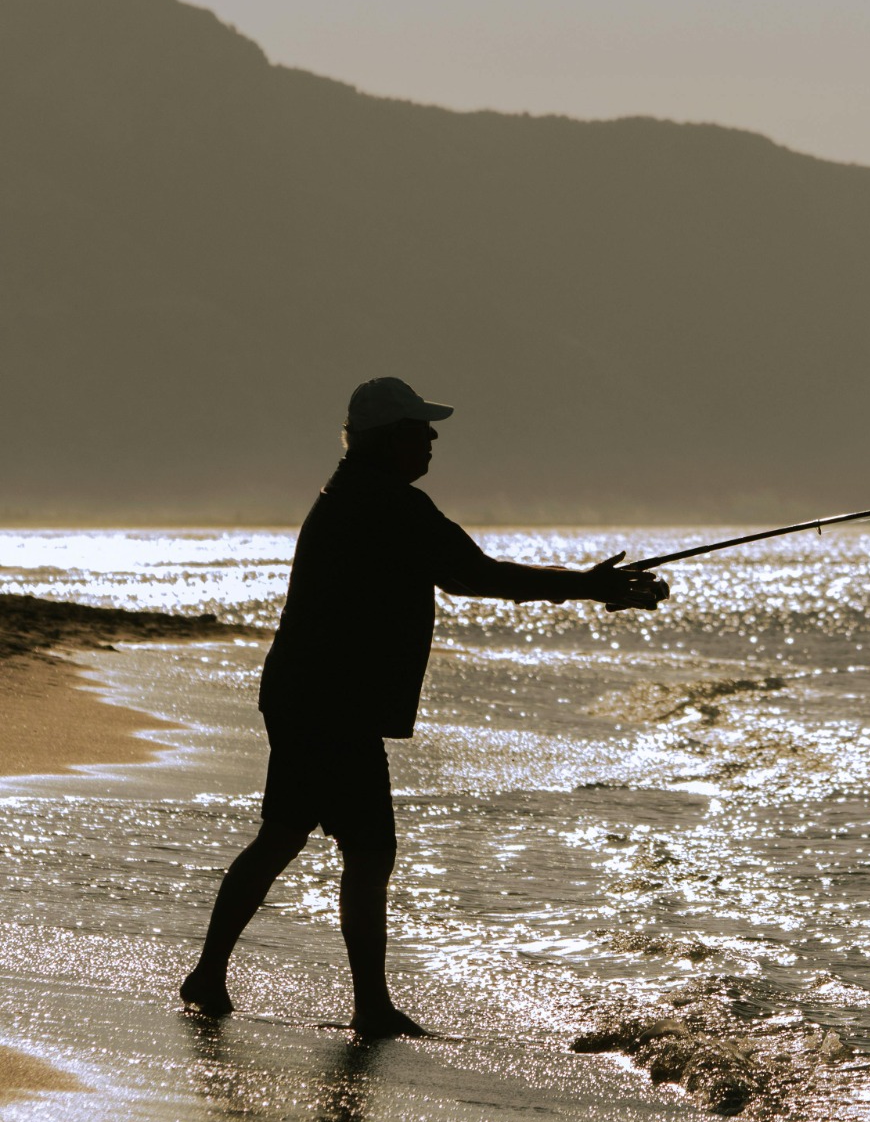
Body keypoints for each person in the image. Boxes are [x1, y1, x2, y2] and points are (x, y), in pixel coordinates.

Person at [180, 376, 668, 1036]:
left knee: (286, 837)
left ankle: (214, 976)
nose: (432, 438)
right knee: (366, 849)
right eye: (419, 429)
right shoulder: (389, 505)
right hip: (332, 703)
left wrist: (586, 586)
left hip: (305, 693)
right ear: (387, 440)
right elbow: (479, 576)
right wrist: (587, 586)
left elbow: (468, 574)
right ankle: (367, 1008)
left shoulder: (355, 493)